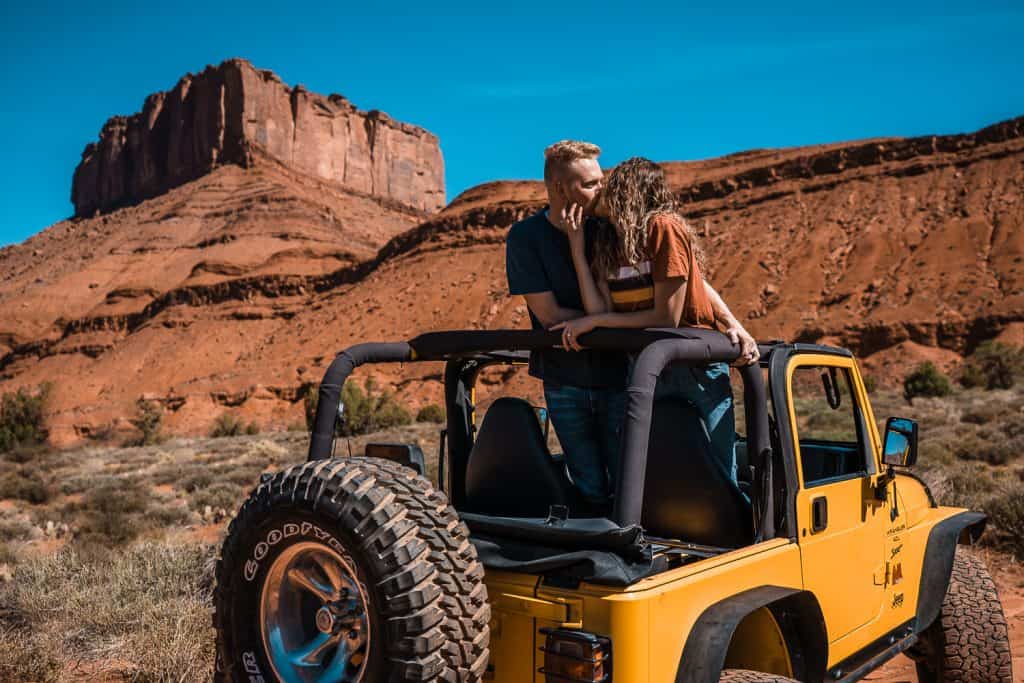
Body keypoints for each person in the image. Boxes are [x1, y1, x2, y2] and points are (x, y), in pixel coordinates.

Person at [551, 156, 758, 484]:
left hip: (692, 364)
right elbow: (598, 311)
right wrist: (577, 251)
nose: (602, 188)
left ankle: (735, 531)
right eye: (594, 183)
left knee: (716, 473)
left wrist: (735, 324)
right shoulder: (607, 241)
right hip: (646, 366)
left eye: (610, 183)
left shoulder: (663, 227)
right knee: (661, 472)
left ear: (628, 191)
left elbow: (668, 316)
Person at [505, 140, 628, 505]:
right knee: (588, 482)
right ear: (560, 188)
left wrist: (602, 320)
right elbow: (550, 316)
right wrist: (607, 319)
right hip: (564, 380)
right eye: (590, 183)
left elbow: (623, 307)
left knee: (630, 477)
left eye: (600, 180)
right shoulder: (526, 238)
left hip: (619, 376)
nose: (601, 189)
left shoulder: (606, 229)